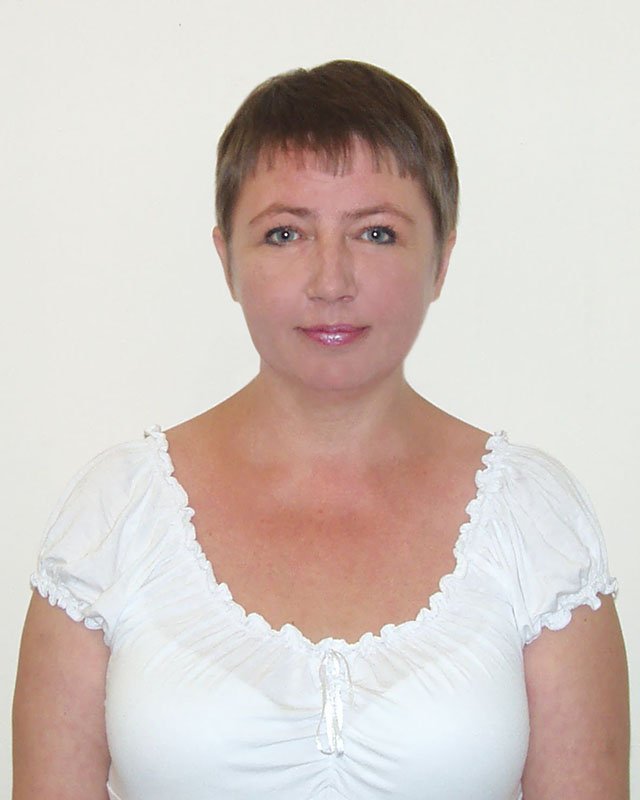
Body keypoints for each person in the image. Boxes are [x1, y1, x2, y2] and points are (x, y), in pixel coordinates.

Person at [13, 60, 629, 799]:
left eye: (376, 233)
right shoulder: (113, 517)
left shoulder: (534, 522)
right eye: (284, 233)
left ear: (441, 259)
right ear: (227, 259)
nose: (331, 281)